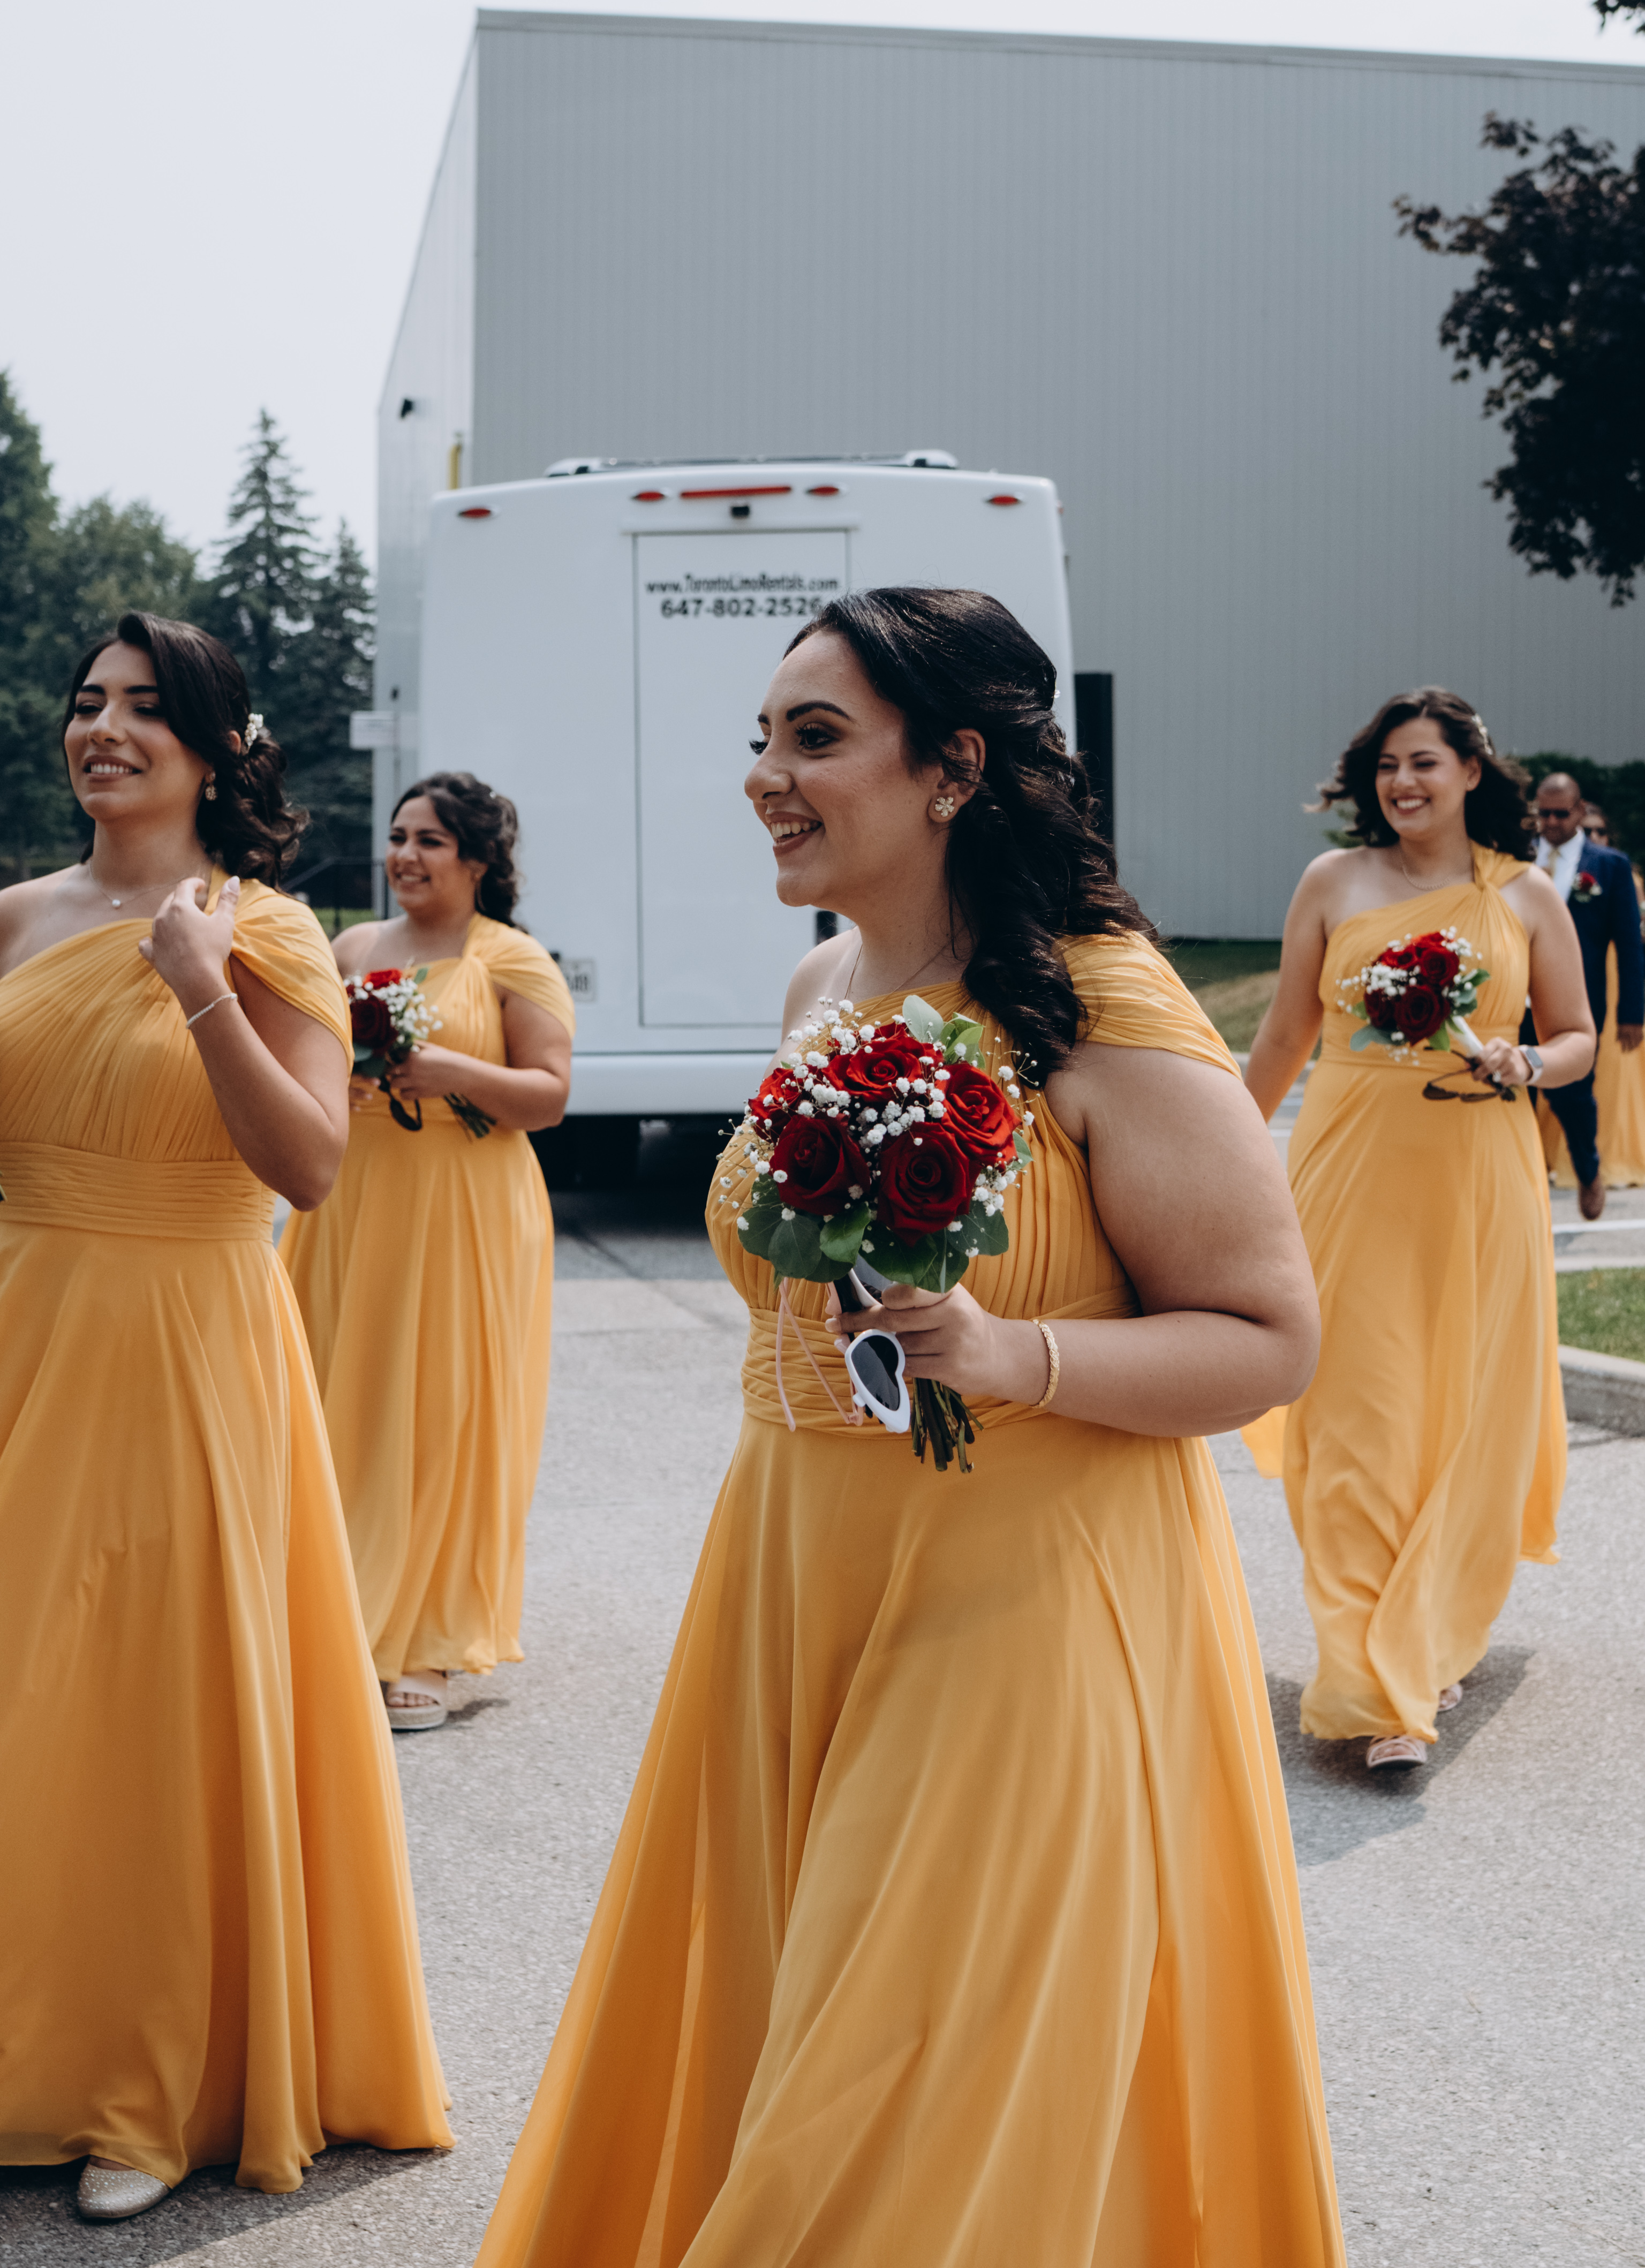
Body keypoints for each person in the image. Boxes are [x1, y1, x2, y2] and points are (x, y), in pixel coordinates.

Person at [476, 589, 1345, 2267]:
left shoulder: (1099, 1000)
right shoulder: (823, 981)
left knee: (887, 2092)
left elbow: (1271, 1337)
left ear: (953, 770)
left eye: (815, 738)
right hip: (795, 1577)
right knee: (807, 2025)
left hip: (1026, 1599)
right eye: (761, 739)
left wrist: (1016, 1355)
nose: (766, 776)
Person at [0, 613, 450, 2224]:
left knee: (146, 1702)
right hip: (24, 1326)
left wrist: (200, 989)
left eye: (144, 707)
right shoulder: (16, 918)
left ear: (212, 748)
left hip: (189, 1345)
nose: (102, 729)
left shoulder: (266, 929)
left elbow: (311, 1166)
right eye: (87, 702)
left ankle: (145, 2086)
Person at [1244, 689, 1593, 1772]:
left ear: (1470, 773)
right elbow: (1284, 1035)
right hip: (1348, 1177)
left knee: (1460, 1419)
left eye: (1424, 763)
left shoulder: (1525, 894)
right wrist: (1220, 1156)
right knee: (1356, 1420)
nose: (1403, 782)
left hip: (1479, 1182)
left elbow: (1576, 1035)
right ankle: (1376, 1686)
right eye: (1388, 765)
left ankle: (1427, 1637)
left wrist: (1527, 1061)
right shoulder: (1331, 882)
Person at [280, 773, 574, 1730]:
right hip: (354, 1200)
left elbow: (550, 1095)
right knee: (340, 1402)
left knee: (446, 1411)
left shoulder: (510, 958)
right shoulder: (352, 948)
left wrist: (451, 1070)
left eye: (430, 841)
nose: (404, 855)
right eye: (399, 836)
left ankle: (428, 1640)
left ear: (478, 860)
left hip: (465, 1205)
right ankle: (328, 1620)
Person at [1526, 772, 1644, 1220]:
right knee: (1510, 1089)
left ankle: (1588, 1168)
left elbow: (1629, 945)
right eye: (1544, 813)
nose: (1552, 822)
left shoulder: (1609, 865)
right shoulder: (1517, 857)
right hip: (1515, 1000)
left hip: (1575, 1001)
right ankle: (1522, 1178)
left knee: (1573, 1096)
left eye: (1561, 813)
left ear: (1579, 811)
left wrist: (1632, 1012)